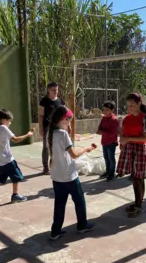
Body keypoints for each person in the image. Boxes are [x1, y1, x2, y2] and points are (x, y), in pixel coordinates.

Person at [47, 105, 96, 240]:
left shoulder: (51, 133)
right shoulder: (62, 134)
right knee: (79, 201)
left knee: (59, 204)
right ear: (63, 119)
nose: (70, 124)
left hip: (57, 176)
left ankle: (55, 231)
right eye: (69, 121)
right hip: (69, 175)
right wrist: (86, 148)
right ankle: (82, 225)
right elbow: (74, 154)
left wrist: (68, 132)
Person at [117, 92, 146, 217]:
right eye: (128, 105)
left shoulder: (145, 118)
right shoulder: (127, 118)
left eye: (132, 104)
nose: (130, 107)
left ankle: (139, 205)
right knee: (134, 177)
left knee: (139, 178)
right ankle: (137, 203)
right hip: (129, 150)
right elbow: (123, 133)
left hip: (139, 150)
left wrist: (127, 139)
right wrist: (122, 139)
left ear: (139, 104)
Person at [38, 82, 66, 175]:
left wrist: (67, 126)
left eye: (57, 90)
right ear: (48, 90)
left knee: (57, 147)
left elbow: (65, 114)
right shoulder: (44, 101)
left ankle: (55, 165)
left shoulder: (60, 101)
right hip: (47, 127)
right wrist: (41, 128)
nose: (55, 92)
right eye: (53, 90)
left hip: (58, 127)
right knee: (46, 147)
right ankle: (46, 168)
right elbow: (41, 116)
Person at [96, 100, 119, 181]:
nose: (105, 111)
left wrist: (102, 132)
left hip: (111, 143)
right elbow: (99, 129)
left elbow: (112, 133)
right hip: (104, 142)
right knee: (106, 158)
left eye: (107, 110)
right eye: (104, 109)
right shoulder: (104, 118)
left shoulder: (114, 120)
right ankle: (108, 171)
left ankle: (112, 173)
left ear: (112, 110)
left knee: (111, 158)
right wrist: (101, 131)